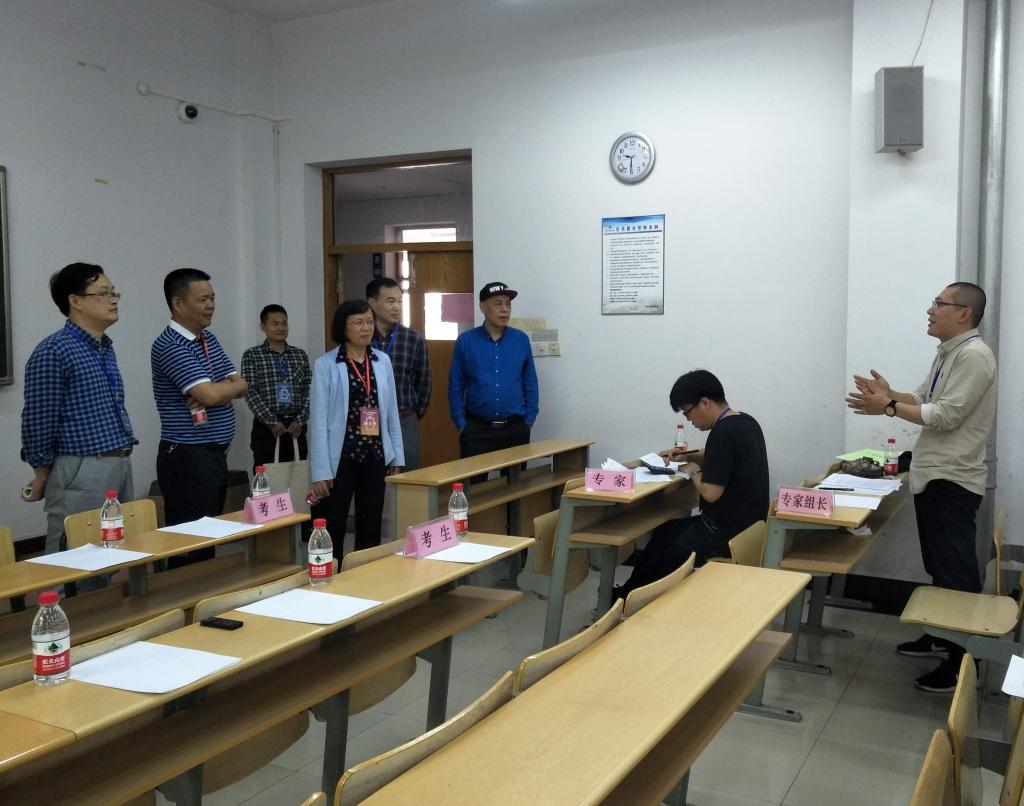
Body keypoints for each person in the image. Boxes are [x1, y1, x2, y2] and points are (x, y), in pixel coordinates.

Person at [847, 281, 996, 693]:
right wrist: (889, 395)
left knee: (955, 572)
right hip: (935, 474)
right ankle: (942, 635)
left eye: (939, 303)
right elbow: (922, 397)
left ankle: (962, 662)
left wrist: (889, 407)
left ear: (964, 313)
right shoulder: (948, 352)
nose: (930, 310)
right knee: (939, 566)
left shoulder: (974, 356)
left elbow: (945, 416)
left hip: (953, 479)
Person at [613, 370, 769, 600]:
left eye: (688, 412)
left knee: (669, 553)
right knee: (665, 532)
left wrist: (693, 471)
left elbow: (711, 493)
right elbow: (719, 456)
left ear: (704, 403)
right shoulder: (745, 422)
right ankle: (628, 596)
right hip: (748, 527)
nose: (689, 420)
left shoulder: (722, 432)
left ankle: (637, 602)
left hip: (723, 533)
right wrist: (687, 456)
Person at [21, 263, 136, 560]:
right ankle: (60, 595)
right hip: (82, 466)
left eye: (114, 293)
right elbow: (38, 420)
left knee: (113, 553)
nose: (113, 300)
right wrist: (41, 472)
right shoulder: (54, 350)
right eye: (104, 293)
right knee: (73, 556)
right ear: (76, 301)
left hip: (118, 460)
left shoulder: (103, 347)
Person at [152, 268, 248, 567]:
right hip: (187, 456)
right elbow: (209, 396)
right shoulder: (169, 345)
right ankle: (180, 592)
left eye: (212, 298)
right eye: (203, 299)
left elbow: (242, 384)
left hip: (211, 455)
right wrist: (218, 390)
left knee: (207, 538)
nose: (210, 305)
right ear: (178, 303)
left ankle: (202, 590)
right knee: (188, 542)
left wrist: (220, 390)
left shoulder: (207, 339)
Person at [309, 300, 404, 552]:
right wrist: (320, 471)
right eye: (359, 322)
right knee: (334, 523)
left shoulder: (382, 361)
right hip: (340, 457)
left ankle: (366, 571)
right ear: (343, 327)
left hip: (375, 454)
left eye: (370, 322)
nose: (366, 328)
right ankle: (333, 571)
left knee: (371, 523)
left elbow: (391, 413)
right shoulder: (326, 364)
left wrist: (397, 455)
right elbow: (318, 421)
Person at [449, 281, 539, 458]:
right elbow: (455, 386)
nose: (505, 309)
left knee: (515, 477)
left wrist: (528, 421)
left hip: (515, 429)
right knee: (474, 477)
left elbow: (530, 383)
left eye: (508, 304)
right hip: (477, 430)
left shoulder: (520, 340)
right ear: (482, 307)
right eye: (498, 304)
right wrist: (461, 424)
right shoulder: (466, 341)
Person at [366, 278, 431, 470]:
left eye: (400, 301)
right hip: (370, 417)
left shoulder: (413, 339)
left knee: (408, 474)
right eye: (390, 301)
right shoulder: (361, 338)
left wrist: (411, 413)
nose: (397, 307)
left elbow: (424, 384)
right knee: (370, 471)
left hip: (404, 417)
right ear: (372, 303)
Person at [240, 304, 312, 470]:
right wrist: (272, 421)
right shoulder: (252, 355)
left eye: (284, 323)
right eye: (275, 324)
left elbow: (309, 389)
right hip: (266, 428)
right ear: (263, 327)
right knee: (266, 479)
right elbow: (250, 392)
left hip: (296, 427)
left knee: (296, 477)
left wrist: (300, 420)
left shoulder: (300, 355)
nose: (281, 328)